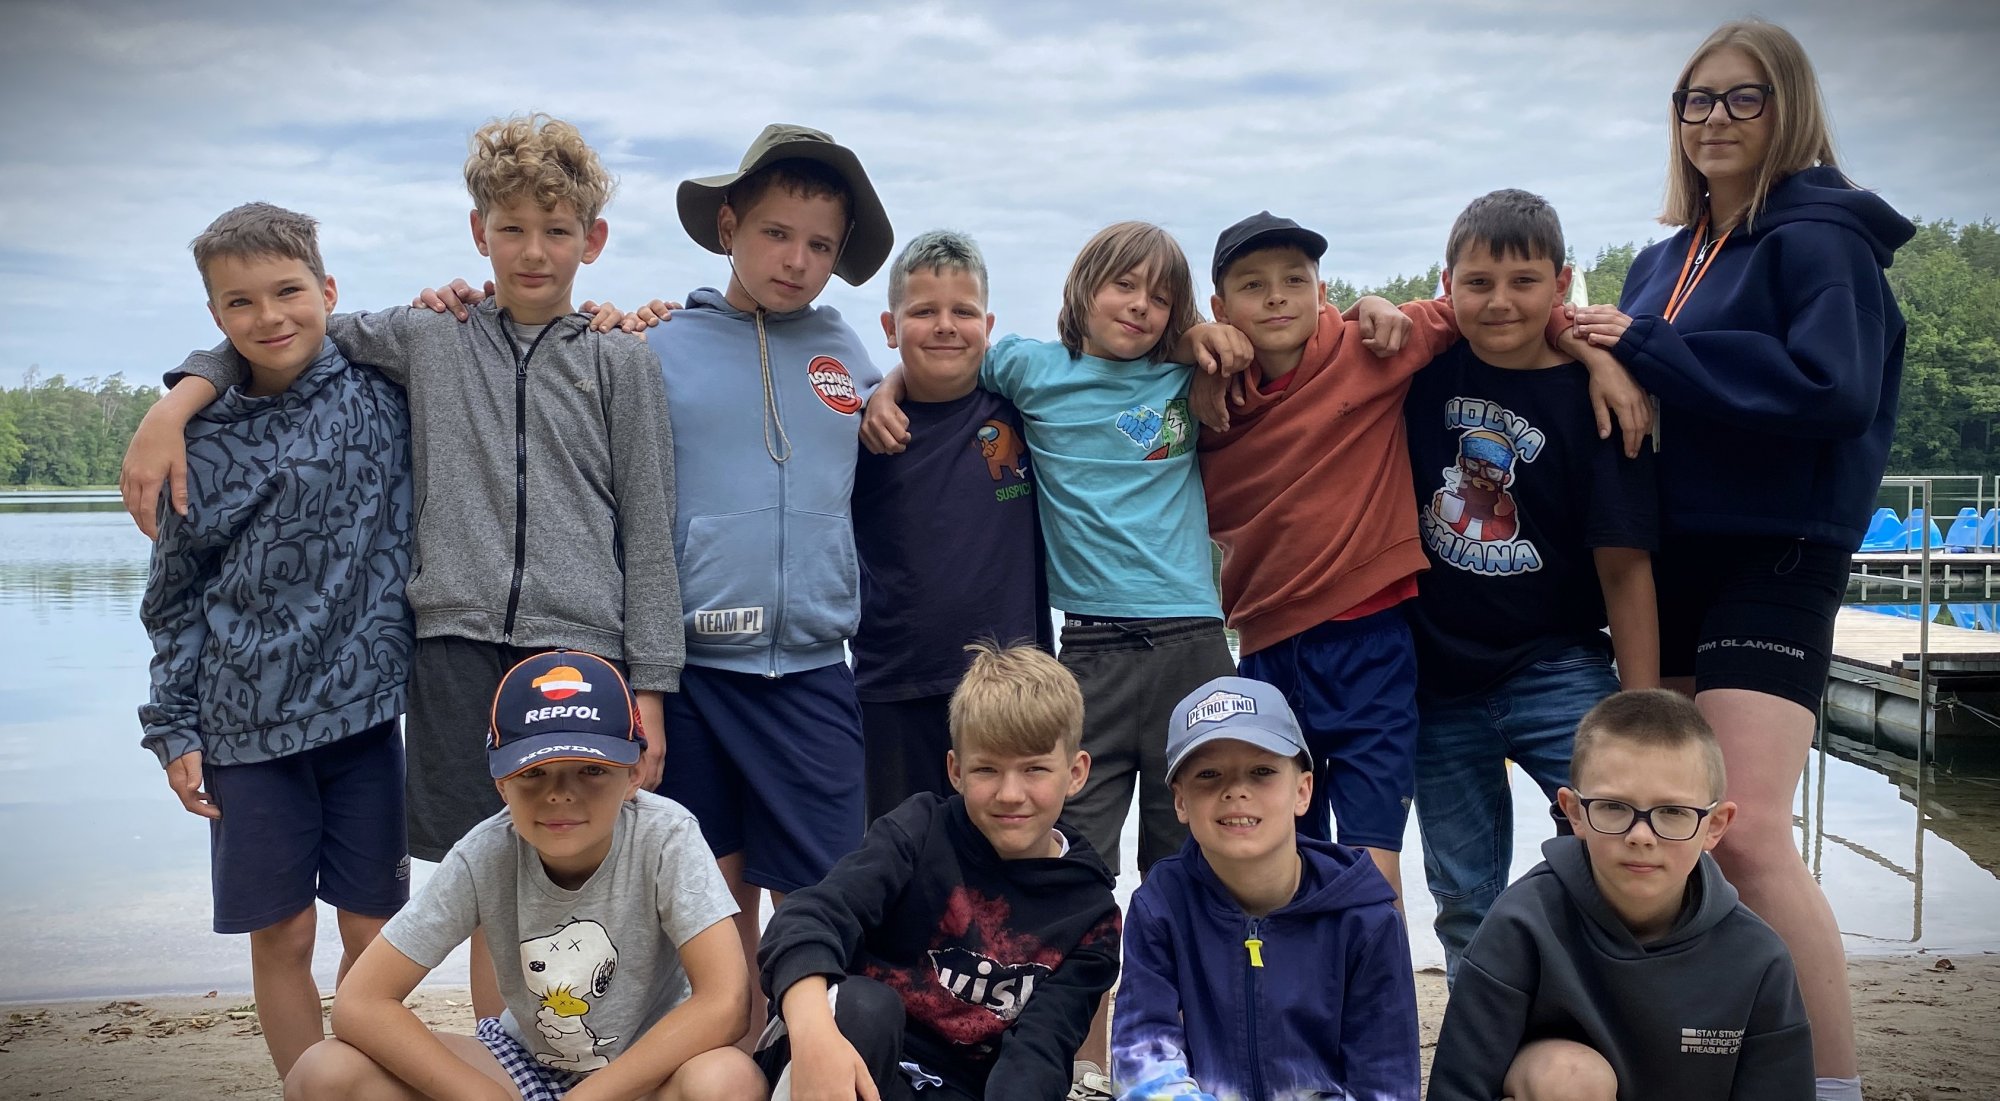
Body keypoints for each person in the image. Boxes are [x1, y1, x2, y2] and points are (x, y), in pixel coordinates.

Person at [121, 113, 682, 1021]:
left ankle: (590, 1056)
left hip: (581, 648)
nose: (532, 251)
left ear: (593, 239)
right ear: (478, 233)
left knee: (581, 876)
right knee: (488, 882)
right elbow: (285, 331)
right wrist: (175, 404)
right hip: (450, 650)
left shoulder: (622, 358)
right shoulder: (430, 335)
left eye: (555, 230)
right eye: (510, 228)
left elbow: (649, 532)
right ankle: (503, 1065)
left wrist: (650, 683)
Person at [1570, 21, 1914, 1100]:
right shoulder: (1660, 261)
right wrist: (1602, 356)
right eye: (1695, 99)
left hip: (1776, 548)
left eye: (1742, 98)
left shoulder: (1821, 239)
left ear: (1788, 109)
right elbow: (1625, 373)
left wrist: (1645, 346)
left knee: (1748, 831)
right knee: (1659, 825)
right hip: (1666, 557)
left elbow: (1833, 389)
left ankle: (1832, 1086)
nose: (1713, 118)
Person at [862, 220, 1250, 880]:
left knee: (1192, 856)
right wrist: (885, 390)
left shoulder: (1183, 372)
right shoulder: (1030, 369)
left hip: (1195, 641)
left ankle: (1178, 955)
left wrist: (1201, 340)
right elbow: (945, 353)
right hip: (1090, 650)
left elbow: (1261, 343)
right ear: (1082, 289)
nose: (1139, 306)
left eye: (1159, 298)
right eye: (1123, 286)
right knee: (1068, 853)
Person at [138, 201, 414, 1080]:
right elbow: (174, 598)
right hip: (242, 727)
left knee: (375, 930)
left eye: (288, 291)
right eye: (240, 302)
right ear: (214, 315)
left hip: (366, 715)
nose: (269, 317)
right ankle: (308, 1088)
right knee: (284, 932)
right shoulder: (200, 439)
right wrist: (171, 725)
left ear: (328, 290)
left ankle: (366, 1084)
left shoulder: (386, 392)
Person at [638, 123, 893, 1031]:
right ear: (729, 226)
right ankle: (731, 1067)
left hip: (813, 669)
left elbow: (897, 399)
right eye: (777, 234)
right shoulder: (656, 348)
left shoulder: (847, 353)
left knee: (822, 901)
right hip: (696, 676)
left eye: (820, 245)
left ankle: (807, 1064)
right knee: (713, 910)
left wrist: (891, 393)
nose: (797, 260)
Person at [283, 650, 764, 1101]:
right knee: (323, 1071)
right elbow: (359, 1003)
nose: (560, 793)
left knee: (726, 1079)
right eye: (534, 773)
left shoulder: (667, 836)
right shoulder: (484, 852)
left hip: (651, 1067)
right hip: (525, 1060)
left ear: (634, 773)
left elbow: (726, 1001)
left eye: (591, 770)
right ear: (501, 782)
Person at [1404, 189, 1660, 983]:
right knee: (1463, 895)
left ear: (1562, 283)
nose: (1500, 301)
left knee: (1615, 847)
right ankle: (1485, 1035)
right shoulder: (1422, 374)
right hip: (1438, 680)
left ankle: (1607, 1016)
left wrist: (1641, 713)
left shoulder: (1597, 401)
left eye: (1524, 281)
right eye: (1478, 282)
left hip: (1558, 665)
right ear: (1447, 285)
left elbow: (1625, 565)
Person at [754, 642, 1121, 1101]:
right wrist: (813, 1031)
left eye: (1034, 769)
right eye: (987, 769)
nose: (1010, 793)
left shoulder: (1091, 915)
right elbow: (806, 918)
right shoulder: (918, 831)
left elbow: (1040, 1052)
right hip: (839, 1047)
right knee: (865, 1008)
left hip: (957, 1089)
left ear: (1076, 772)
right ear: (956, 770)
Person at [1427, 689, 1813, 1101]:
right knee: (1569, 1077)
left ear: (1715, 826)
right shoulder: (1520, 925)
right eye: (1614, 807)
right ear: (1575, 812)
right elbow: (1458, 1088)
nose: (1641, 836)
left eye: (1673, 812)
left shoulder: (1758, 957)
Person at [1111, 675, 1418, 1101]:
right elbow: (1140, 1059)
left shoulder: (1368, 918)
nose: (1236, 791)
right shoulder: (1160, 905)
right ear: (1180, 801)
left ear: (1303, 790)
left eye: (1262, 772)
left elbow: (1386, 1083)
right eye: (1209, 774)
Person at [851, 230, 1052, 822]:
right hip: (893, 688)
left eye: (963, 312)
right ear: (890, 328)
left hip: (1013, 687)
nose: (945, 326)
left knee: (1010, 858)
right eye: (923, 312)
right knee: (901, 859)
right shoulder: (864, 430)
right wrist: (881, 392)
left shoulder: (1025, 411)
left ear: (987, 325)